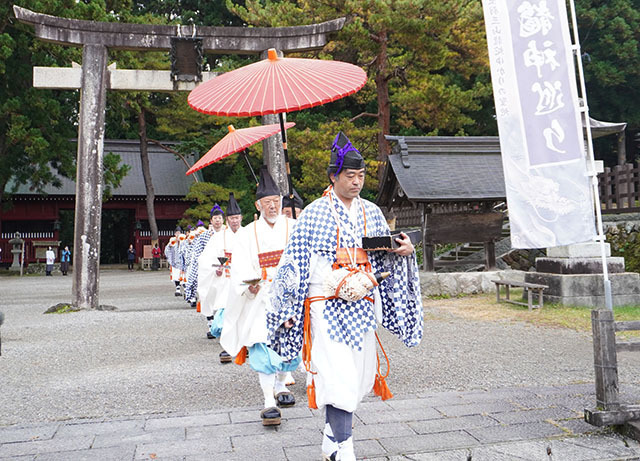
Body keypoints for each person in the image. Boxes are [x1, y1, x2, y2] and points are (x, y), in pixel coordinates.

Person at [268, 132, 423, 460]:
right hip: (325, 305)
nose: (357, 182)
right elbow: (292, 264)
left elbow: (384, 252)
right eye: (350, 176)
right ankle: (344, 449)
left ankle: (330, 438)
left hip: (363, 302)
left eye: (361, 176)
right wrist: (289, 306)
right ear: (333, 177)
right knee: (337, 374)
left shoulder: (371, 212)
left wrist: (405, 249)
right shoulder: (312, 213)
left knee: (356, 376)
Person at [221, 166, 299, 427]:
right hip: (262, 295)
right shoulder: (247, 233)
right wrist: (248, 286)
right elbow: (241, 266)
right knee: (262, 343)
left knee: (288, 344)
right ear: (258, 204)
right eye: (267, 202)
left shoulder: (294, 227)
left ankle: (281, 385)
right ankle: (269, 401)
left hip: (289, 296)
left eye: (276, 202)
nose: (273, 207)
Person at [198, 193, 242, 360]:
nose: (235, 221)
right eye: (231, 218)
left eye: (237, 218)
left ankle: (242, 344)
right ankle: (228, 347)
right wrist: (215, 268)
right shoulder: (218, 237)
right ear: (227, 220)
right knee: (226, 313)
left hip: (243, 280)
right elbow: (205, 259)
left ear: (241, 218)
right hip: (225, 279)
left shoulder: (248, 234)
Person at [184, 212, 224, 308]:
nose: (217, 220)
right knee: (209, 293)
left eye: (219, 218)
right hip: (209, 269)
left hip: (225, 268)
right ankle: (210, 318)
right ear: (211, 221)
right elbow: (197, 254)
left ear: (223, 220)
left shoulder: (228, 234)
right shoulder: (203, 236)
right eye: (215, 218)